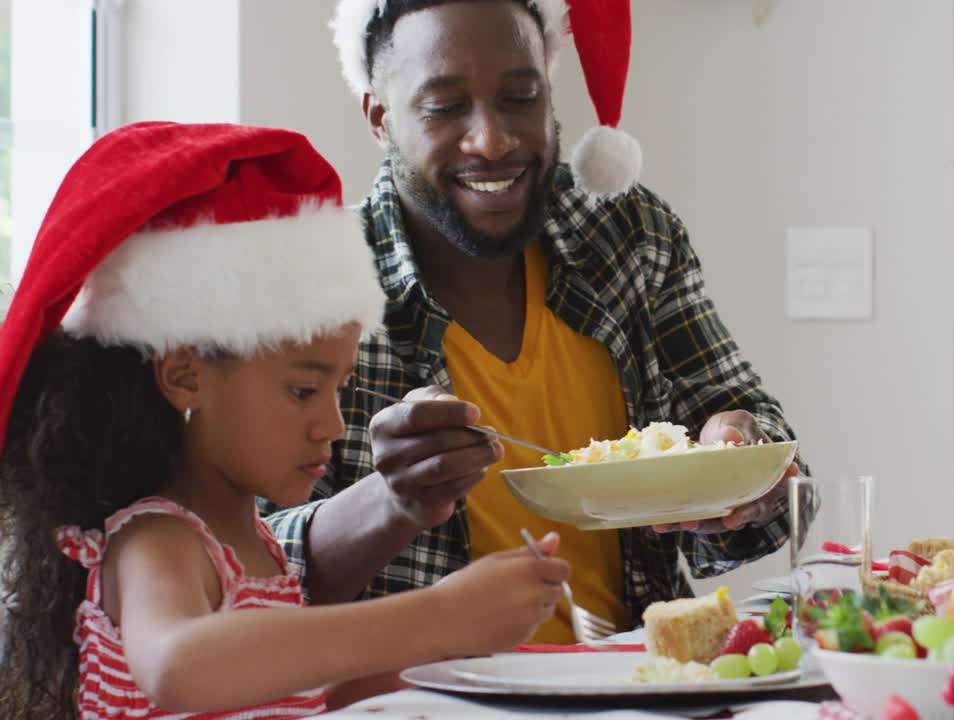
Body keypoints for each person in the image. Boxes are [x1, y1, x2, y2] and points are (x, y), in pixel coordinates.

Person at [262, 0, 806, 645]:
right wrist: (391, 502)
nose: (492, 140)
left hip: (638, 679)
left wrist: (743, 467)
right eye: (444, 107)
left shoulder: (628, 234)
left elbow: (783, 483)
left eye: (520, 97)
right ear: (381, 119)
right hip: (425, 698)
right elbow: (243, 580)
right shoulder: (311, 291)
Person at [0, 122, 569, 719]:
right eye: (302, 390)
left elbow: (293, 692)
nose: (332, 425)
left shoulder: (257, 543)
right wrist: (439, 617)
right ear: (185, 376)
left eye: (339, 388)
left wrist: (462, 663)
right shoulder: (158, 538)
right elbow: (177, 665)